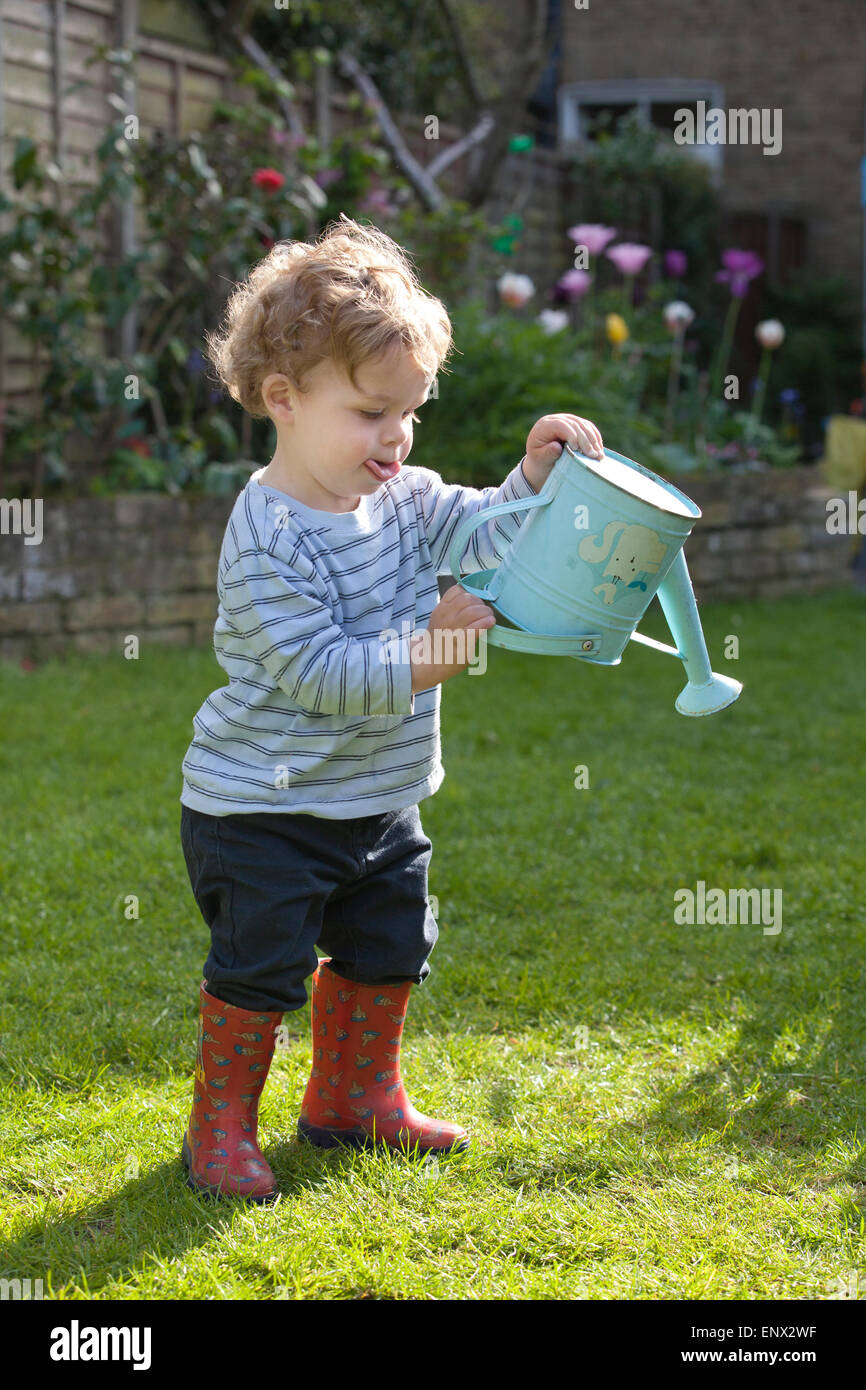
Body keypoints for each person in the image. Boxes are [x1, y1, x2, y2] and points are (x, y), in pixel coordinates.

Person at [178, 214, 604, 1201]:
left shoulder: (404, 496)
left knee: (386, 949)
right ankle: (219, 1128)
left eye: (410, 412)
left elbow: (482, 530)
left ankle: (350, 1098)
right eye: (373, 412)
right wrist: (435, 653)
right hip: (261, 811)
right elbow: (322, 672)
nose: (397, 435)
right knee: (262, 968)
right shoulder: (266, 536)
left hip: (377, 797)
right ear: (283, 399)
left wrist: (533, 475)